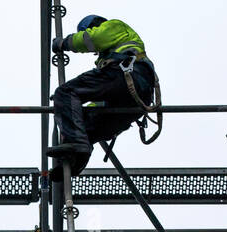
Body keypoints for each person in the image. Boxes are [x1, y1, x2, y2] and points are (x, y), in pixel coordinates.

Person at [48, 15, 158, 176]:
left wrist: (64, 43)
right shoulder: (112, 54)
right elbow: (101, 103)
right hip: (135, 100)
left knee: (66, 92)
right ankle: (74, 163)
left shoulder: (114, 26)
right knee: (86, 124)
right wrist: (76, 109)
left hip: (124, 76)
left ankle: (77, 145)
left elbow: (93, 38)